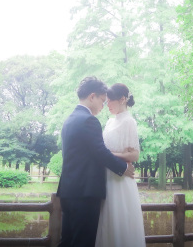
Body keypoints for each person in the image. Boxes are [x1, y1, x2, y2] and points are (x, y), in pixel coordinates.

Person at [57, 77, 135, 247]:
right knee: (82, 242)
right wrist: (123, 168)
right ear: (92, 96)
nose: (103, 105)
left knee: (67, 241)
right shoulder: (89, 120)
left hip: (68, 191)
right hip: (85, 193)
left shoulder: (69, 120)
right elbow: (100, 152)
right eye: (101, 100)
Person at [95, 83, 146, 247]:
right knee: (107, 221)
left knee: (121, 220)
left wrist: (108, 155)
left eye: (110, 101)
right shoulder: (109, 122)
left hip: (121, 177)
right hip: (106, 176)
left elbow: (135, 154)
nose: (107, 104)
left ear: (122, 99)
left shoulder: (129, 122)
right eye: (106, 101)